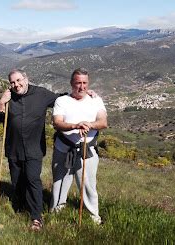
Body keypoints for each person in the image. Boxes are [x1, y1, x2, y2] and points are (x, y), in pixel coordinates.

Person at [0, 69, 59, 231]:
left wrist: (84, 94)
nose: (16, 85)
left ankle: (36, 216)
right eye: (13, 82)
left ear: (26, 78)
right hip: (14, 147)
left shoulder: (41, 94)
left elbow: (62, 100)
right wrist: (1, 102)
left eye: (19, 80)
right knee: (17, 180)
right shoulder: (9, 97)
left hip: (34, 148)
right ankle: (21, 206)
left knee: (32, 179)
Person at [49, 68, 107, 225]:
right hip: (64, 148)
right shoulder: (62, 101)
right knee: (59, 182)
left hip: (87, 150)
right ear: (71, 83)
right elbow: (57, 122)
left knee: (88, 184)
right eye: (78, 83)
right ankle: (56, 212)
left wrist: (90, 124)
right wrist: (76, 125)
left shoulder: (96, 100)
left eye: (85, 83)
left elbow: (103, 122)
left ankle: (94, 217)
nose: (81, 87)